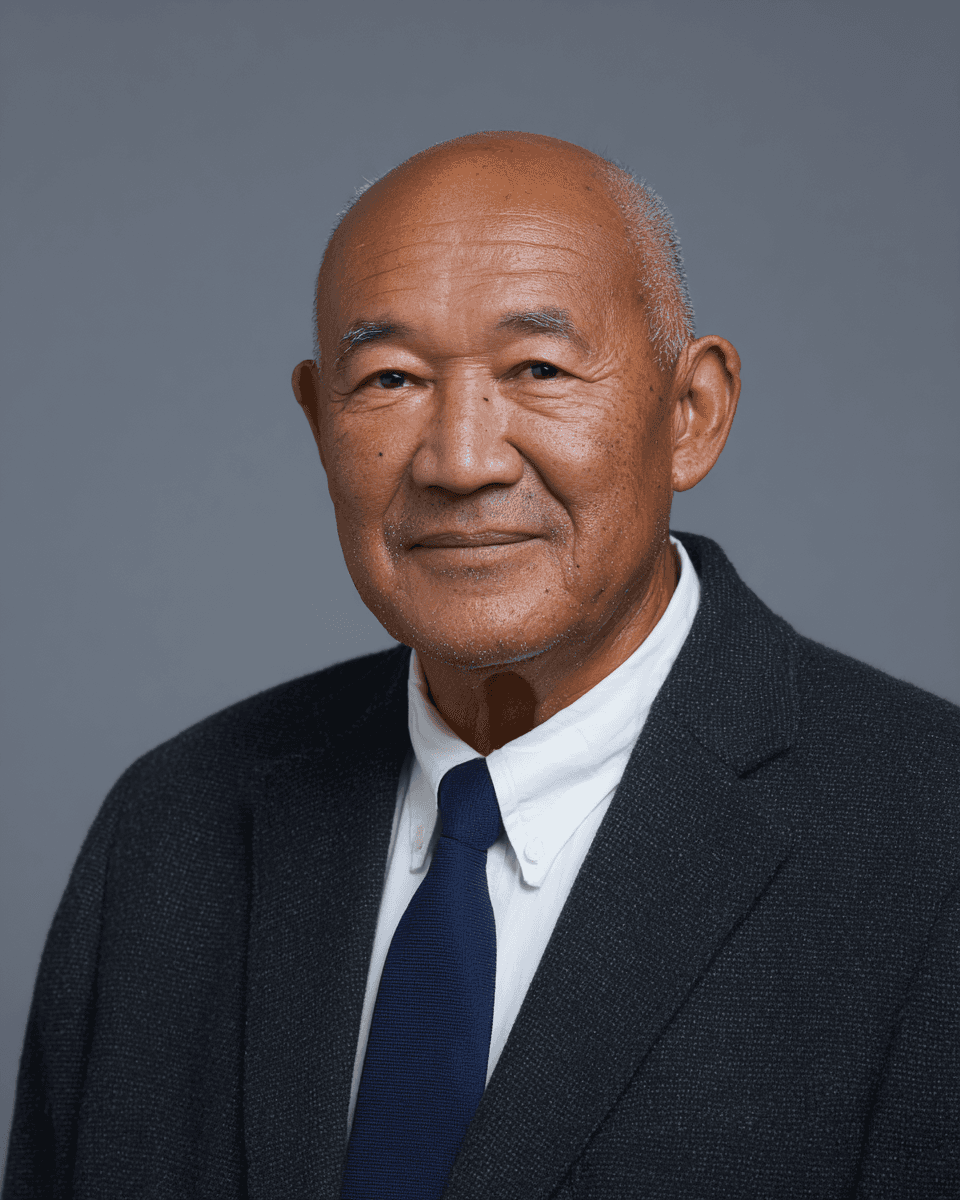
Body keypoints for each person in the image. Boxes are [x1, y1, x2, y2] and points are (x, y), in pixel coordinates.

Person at [3, 131, 958, 1200]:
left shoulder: (931, 838)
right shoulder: (174, 830)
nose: (461, 459)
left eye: (538, 369)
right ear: (320, 422)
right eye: (392, 378)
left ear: (692, 414)